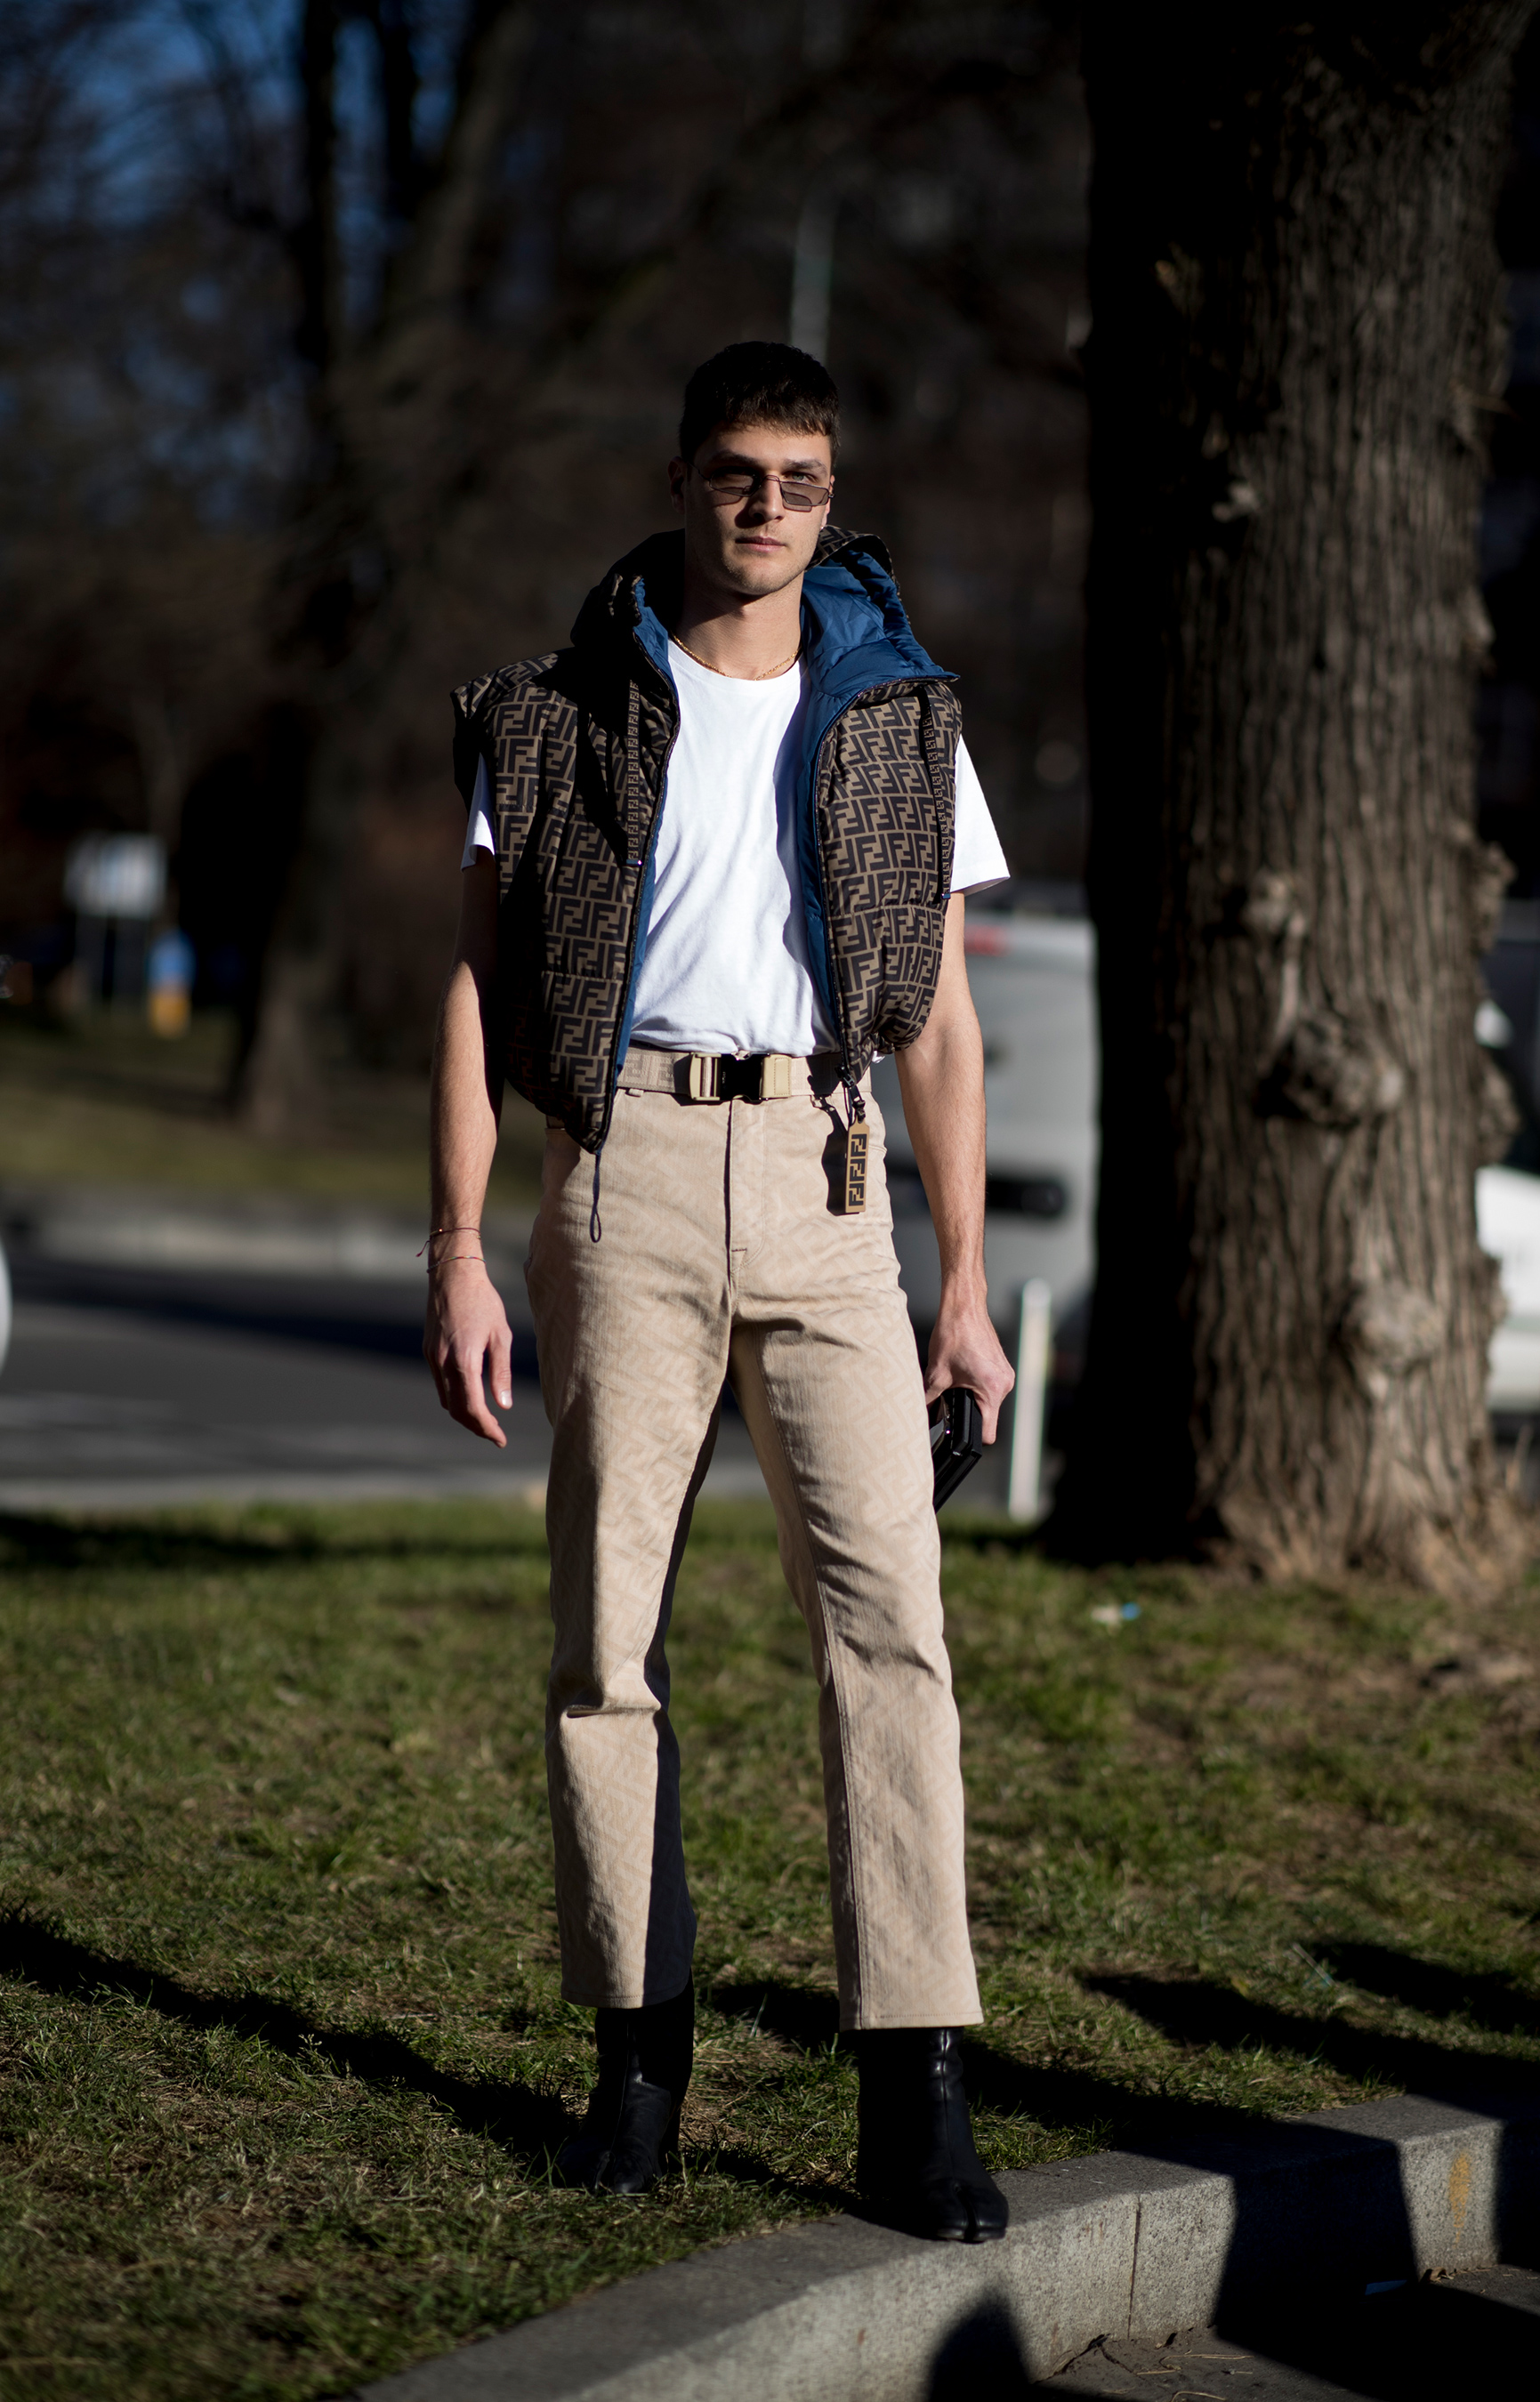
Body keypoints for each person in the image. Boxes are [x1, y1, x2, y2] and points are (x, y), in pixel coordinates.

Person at [425, 343, 1015, 2244]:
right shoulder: (551, 713)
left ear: (835, 502)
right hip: (629, 1173)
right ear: (682, 476)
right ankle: (636, 2063)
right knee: (608, 1638)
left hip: (834, 1180)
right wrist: (458, 1244)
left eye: (804, 480)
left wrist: (963, 1285)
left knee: (891, 1628)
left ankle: (915, 2086)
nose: (770, 507)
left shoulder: (907, 718)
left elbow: (942, 1024)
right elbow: (476, 984)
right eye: (741, 472)